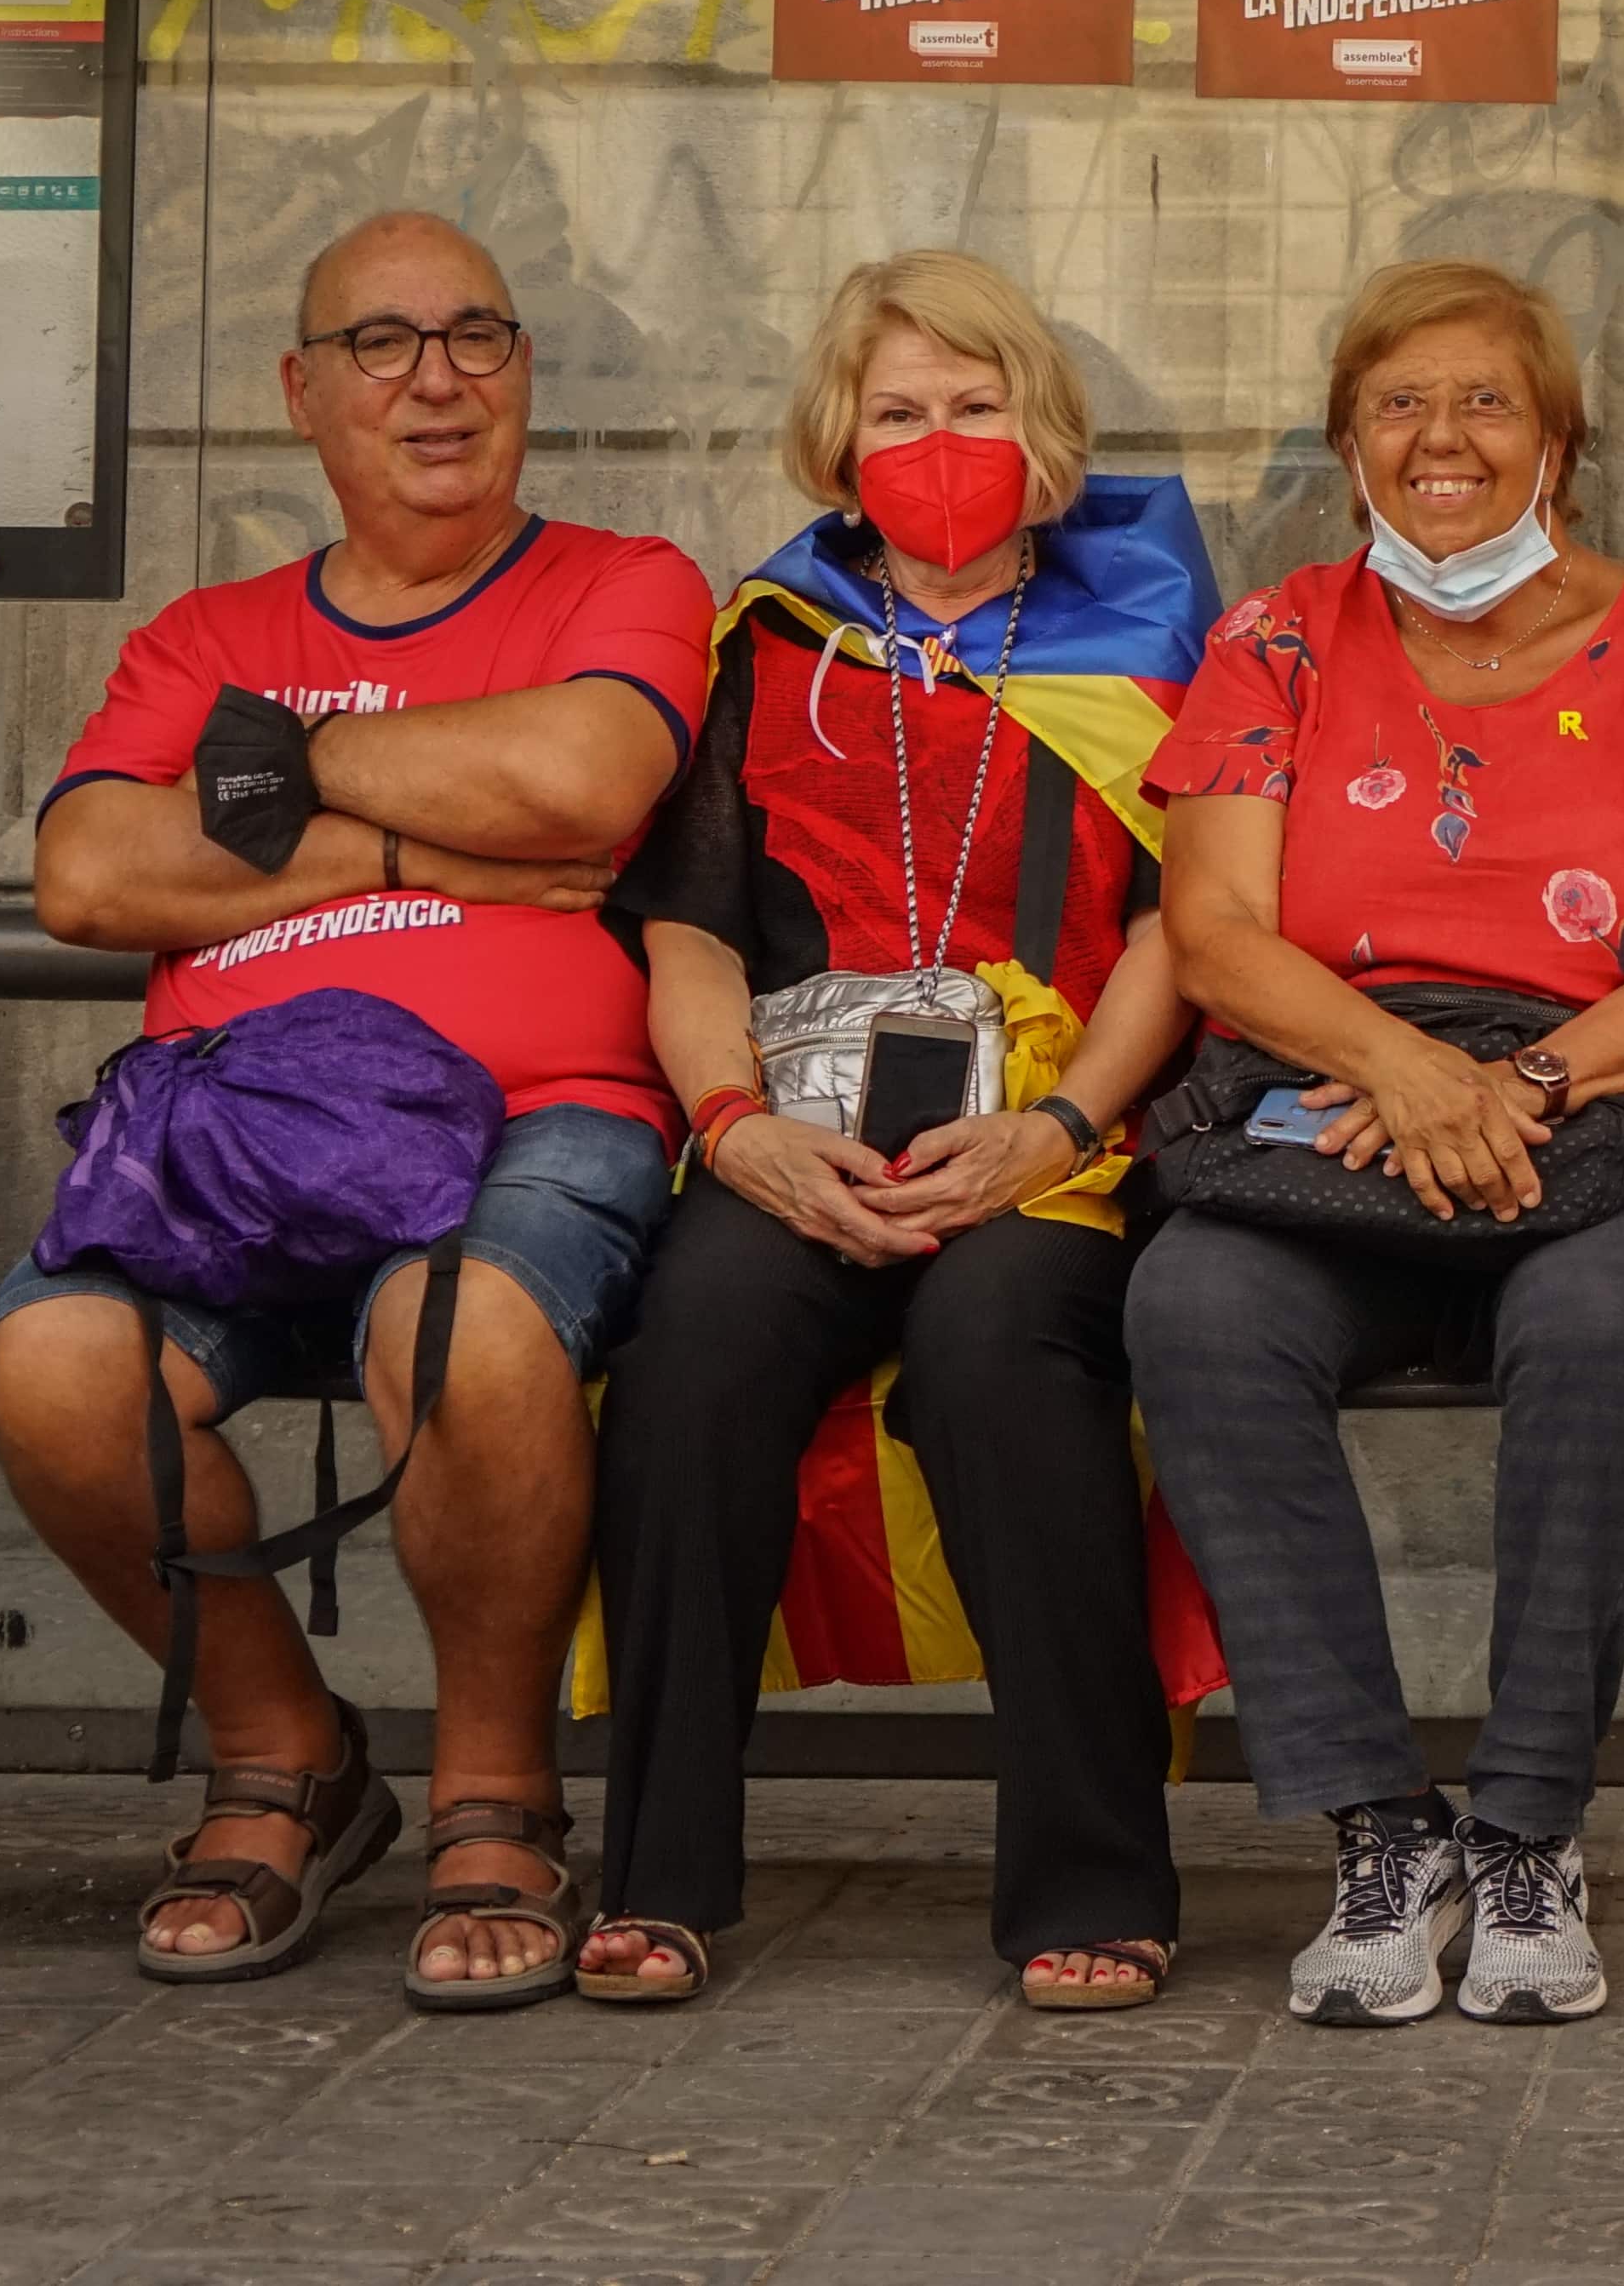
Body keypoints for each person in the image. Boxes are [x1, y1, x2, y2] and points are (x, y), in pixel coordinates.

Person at [0, 211, 712, 2003]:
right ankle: (288, 1752)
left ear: (527, 371)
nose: (437, 377)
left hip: (539, 1109)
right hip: (232, 1128)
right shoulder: (203, 631)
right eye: (381, 344)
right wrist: (396, 841)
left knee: (455, 1323)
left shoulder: (623, 584)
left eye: (478, 334)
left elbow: (582, 769)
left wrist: (262, 773)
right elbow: (85, 870)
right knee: (53, 1368)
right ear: (300, 393)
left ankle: (497, 1785)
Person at [1129, 259, 1624, 2031]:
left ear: (1559, 442)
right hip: (1345, 1105)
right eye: (1397, 404)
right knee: (1200, 1307)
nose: (1441, 439)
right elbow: (1215, 933)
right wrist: (1408, 1076)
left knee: (1588, 1326)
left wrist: (1517, 1091)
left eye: (1485, 402)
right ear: (1348, 440)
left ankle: (1527, 1832)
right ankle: (1380, 1824)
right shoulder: (1278, 638)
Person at [573, 253, 1216, 2010]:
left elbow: (1188, 927)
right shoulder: (768, 643)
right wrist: (735, 1129)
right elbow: (691, 925)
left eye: (979, 404)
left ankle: (1095, 1875)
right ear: (836, 437)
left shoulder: (1165, 642)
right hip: (796, 1132)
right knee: (693, 1346)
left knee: (1002, 1348)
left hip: (1054, 1147)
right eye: (901, 409)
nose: (940, 441)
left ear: (1047, 426)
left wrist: (1070, 1123)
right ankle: (656, 1872)